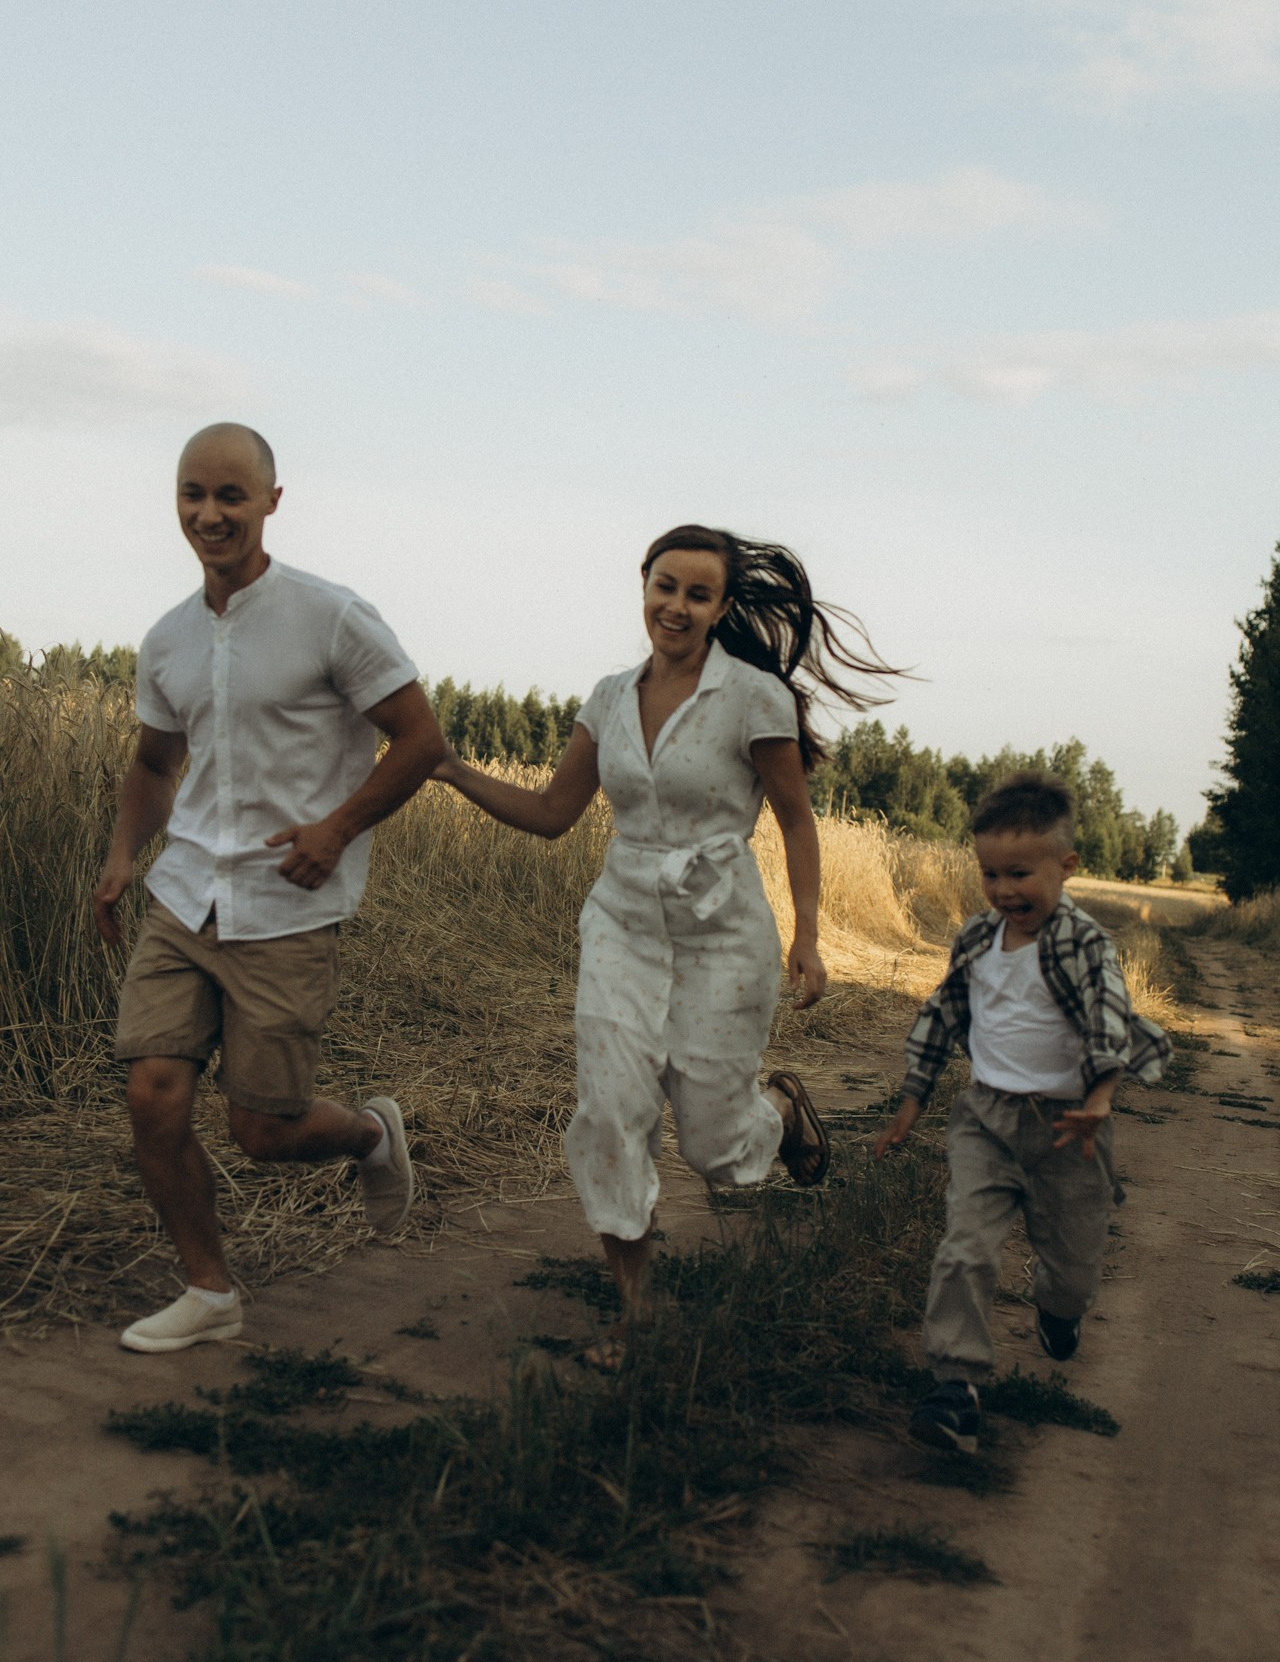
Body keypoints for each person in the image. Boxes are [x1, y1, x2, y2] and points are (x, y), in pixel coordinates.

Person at [436, 522, 899, 1367]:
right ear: (643, 586)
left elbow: (796, 818)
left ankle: (783, 1116)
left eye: (697, 593)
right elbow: (551, 815)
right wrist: (454, 771)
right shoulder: (609, 697)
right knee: (611, 1113)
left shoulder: (755, 697)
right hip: (621, 923)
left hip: (722, 931)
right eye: (665, 587)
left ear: (721, 607)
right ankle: (634, 1311)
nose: (676, 606)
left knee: (716, 1147)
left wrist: (808, 934)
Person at [94, 423, 446, 1353]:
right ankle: (209, 1292)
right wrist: (125, 853)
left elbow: (422, 740)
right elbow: (154, 760)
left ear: (271, 503)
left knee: (261, 1127)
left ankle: (371, 1135)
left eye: (230, 497)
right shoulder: (167, 638)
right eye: (192, 495)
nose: (209, 515)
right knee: (155, 1095)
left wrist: (336, 829)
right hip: (184, 897)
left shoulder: (331, 617)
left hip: (288, 906)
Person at [874, 772, 1171, 1453]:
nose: (1005, 890)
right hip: (986, 1117)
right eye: (990, 874)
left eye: (1021, 874)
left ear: (1065, 867)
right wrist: (912, 1102)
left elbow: (1106, 1020)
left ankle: (1059, 1312)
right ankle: (956, 1387)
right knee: (965, 1247)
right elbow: (943, 1016)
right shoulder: (977, 938)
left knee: (1072, 1263)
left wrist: (1099, 1099)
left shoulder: (1083, 942)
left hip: (1071, 1128)